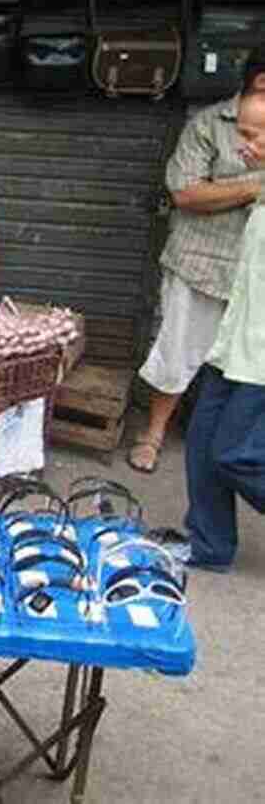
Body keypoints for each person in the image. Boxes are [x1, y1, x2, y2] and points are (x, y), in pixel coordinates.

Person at [129, 49, 265, 473]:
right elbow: (186, 193)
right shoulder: (207, 124)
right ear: (257, 81)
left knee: (242, 364)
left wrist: (225, 189)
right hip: (202, 262)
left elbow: (209, 193)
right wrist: (255, 183)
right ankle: (152, 434)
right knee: (179, 352)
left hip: (255, 272)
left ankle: (223, 444)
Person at [179, 91, 265, 570]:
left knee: (236, 453)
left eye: (252, 136)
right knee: (202, 443)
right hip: (234, 346)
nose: (242, 146)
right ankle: (209, 546)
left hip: (261, 361)